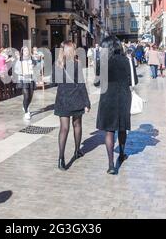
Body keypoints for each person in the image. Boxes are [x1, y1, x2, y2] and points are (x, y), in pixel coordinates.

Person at [96, 36, 137, 175]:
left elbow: (97, 81)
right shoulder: (127, 60)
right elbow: (133, 81)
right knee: (122, 127)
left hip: (108, 97)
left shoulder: (103, 61)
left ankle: (111, 165)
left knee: (109, 131)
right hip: (124, 97)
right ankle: (122, 153)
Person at [54, 41, 91, 171]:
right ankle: (76, 151)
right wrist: (87, 102)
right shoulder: (76, 64)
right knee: (77, 125)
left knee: (63, 129)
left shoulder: (57, 64)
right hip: (76, 99)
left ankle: (61, 158)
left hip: (62, 99)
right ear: (71, 50)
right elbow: (81, 84)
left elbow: (54, 81)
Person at [15, 46, 37, 120]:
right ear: (22, 52)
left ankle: (25, 106)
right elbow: (16, 70)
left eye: (27, 50)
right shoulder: (19, 60)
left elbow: (37, 68)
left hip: (31, 79)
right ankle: (26, 112)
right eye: (25, 50)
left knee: (30, 97)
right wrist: (23, 72)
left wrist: (34, 66)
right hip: (23, 79)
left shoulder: (32, 59)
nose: (26, 52)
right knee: (26, 96)